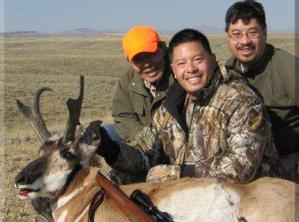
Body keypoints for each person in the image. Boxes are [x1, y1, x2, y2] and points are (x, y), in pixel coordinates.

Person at [81, 29, 284, 184]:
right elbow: (145, 154)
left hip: (249, 198)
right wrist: (109, 148)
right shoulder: (171, 106)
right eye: (182, 63)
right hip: (195, 194)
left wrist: (175, 173)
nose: (191, 69)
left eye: (197, 60)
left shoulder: (242, 101)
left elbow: (239, 171)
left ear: (212, 60)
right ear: (174, 71)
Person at [225, 0, 299, 179]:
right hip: (248, 161)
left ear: (265, 33)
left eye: (253, 32)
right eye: (237, 34)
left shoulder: (289, 68)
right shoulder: (228, 69)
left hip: (288, 158)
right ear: (227, 36)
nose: (245, 41)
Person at [110, 25, 173, 142]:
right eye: (138, 59)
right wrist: (144, 138)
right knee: (106, 133)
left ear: (163, 49)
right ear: (131, 62)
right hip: (147, 141)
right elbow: (122, 115)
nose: (146, 64)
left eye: (150, 55)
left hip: (178, 144)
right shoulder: (129, 80)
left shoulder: (181, 71)